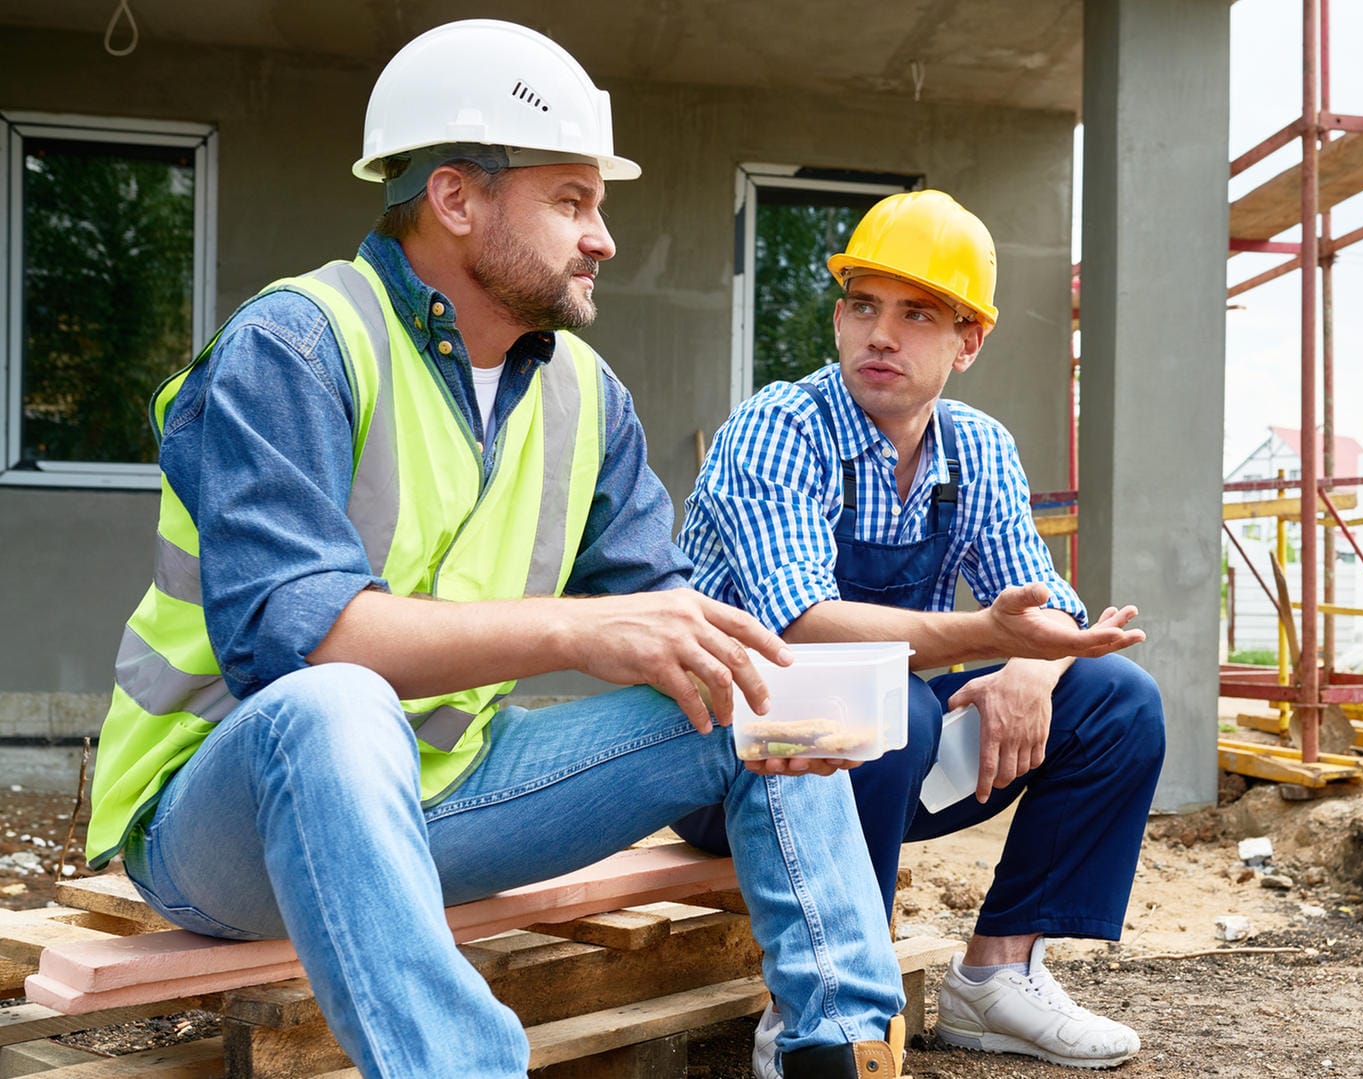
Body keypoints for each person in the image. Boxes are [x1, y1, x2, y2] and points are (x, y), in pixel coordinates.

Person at [84, 20, 909, 1079]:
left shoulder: (584, 395)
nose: (602, 235)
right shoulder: (295, 344)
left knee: (757, 683)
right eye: (571, 200)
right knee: (335, 701)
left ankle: (837, 1047)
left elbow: (670, 627)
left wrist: (762, 740)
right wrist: (579, 625)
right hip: (225, 820)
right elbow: (300, 643)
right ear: (456, 199)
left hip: (456, 790)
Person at [675, 189, 1166, 1072]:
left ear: (968, 342)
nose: (881, 334)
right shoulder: (780, 428)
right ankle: (817, 999)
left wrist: (1032, 668)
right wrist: (991, 630)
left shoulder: (976, 451)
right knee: (884, 702)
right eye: (863, 305)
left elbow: (1051, 605)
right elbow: (803, 624)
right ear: (837, 319)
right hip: (729, 757)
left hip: (877, 757)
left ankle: (996, 979)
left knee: (1119, 700)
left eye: (916, 313)